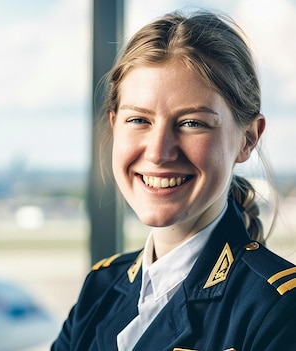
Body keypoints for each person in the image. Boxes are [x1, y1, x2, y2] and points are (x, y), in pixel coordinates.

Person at [51, 9, 296, 351]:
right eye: (139, 120)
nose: (158, 152)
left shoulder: (277, 310)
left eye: (192, 123)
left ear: (248, 139)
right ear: (114, 124)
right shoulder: (100, 289)